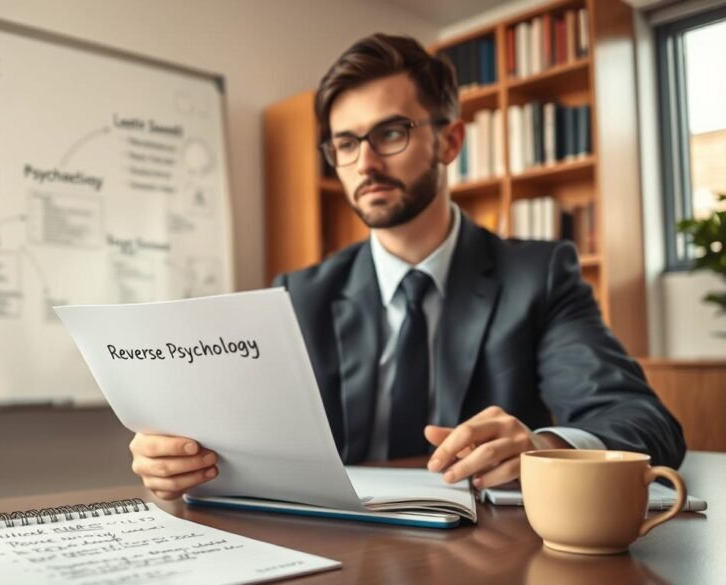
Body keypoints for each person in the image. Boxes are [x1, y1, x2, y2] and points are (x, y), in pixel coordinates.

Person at [129, 33, 685, 500]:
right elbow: (245, 441)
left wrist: (547, 449)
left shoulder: (537, 278)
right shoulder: (298, 295)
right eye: (346, 144)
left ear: (450, 141)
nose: (365, 162)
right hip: (339, 550)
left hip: (489, 556)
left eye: (391, 133)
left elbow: (641, 420)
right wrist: (182, 457)